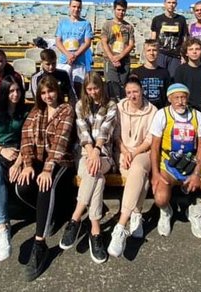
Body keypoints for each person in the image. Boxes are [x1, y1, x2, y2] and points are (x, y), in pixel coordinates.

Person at [15, 74, 75, 281]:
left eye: (50, 91)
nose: (48, 96)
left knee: (45, 186)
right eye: (43, 93)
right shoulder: (36, 111)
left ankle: (40, 244)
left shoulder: (66, 110)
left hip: (61, 161)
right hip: (40, 160)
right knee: (22, 187)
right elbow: (25, 137)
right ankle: (53, 213)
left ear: (57, 91)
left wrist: (48, 169)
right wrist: (27, 164)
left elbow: (61, 142)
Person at [150, 83, 201, 239]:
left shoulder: (197, 116)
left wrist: (197, 174)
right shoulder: (162, 114)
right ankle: (166, 212)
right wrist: (155, 174)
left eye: (183, 97)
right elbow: (154, 147)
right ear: (169, 99)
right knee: (160, 199)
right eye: (176, 98)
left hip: (191, 162)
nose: (180, 101)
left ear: (187, 98)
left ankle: (196, 211)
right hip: (168, 163)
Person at [59, 72, 118, 264]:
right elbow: (82, 131)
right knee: (96, 178)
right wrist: (91, 152)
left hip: (104, 153)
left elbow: (105, 131)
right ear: (85, 89)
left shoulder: (111, 105)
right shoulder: (79, 105)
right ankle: (95, 231)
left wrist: (97, 151)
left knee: (94, 170)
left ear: (102, 86)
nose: (93, 92)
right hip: (85, 152)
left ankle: (75, 218)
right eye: (89, 89)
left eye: (96, 88)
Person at [107, 75, 158, 257]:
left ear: (142, 91)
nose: (132, 96)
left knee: (138, 168)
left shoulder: (152, 110)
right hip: (123, 152)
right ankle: (137, 213)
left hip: (143, 153)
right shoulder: (119, 107)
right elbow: (115, 135)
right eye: (128, 92)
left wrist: (134, 152)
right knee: (140, 177)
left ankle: (120, 226)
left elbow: (150, 140)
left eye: (135, 91)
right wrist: (125, 151)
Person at [0, 75, 30, 262]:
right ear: (4, 92)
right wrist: (2, 150)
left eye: (18, 90)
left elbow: (28, 140)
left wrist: (18, 161)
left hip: (18, 154)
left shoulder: (25, 112)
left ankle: (2, 227)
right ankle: (2, 227)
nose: (15, 94)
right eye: (11, 91)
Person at [54, 0, 93, 99]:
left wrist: (75, 55)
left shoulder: (86, 24)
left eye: (79, 7)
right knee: (61, 89)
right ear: (69, 7)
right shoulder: (62, 23)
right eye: (74, 6)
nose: (76, 9)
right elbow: (58, 41)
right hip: (64, 61)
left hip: (79, 62)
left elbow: (87, 42)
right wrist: (68, 55)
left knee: (78, 90)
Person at [100, 0, 135, 101]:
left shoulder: (129, 27)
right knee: (112, 88)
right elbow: (104, 42)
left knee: (124, 89)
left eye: (123, 10)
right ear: (114, 9)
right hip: (110, 61)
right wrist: (113, 58)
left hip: (124, 61)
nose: (121, 12)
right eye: (119, 9)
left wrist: (120, 56)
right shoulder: (107, 25)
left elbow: (131, 44)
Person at [150, 0, 189, 78]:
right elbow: (153, 39)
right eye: (169, 2)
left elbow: (184, 39)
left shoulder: (181, 19)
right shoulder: (157, 19)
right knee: (160, 77)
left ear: (176, 4)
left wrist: (183, 55)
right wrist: (152, 54)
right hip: (160, 54)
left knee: (173, 79)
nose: (171, 5)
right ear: (164, 4)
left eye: (173, 3)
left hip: (175, 55)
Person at [173, 37, 201, 110]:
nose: (194, 52)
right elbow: (178, 91)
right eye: (191, 49)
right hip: (187, 107)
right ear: (186, 53)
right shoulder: (180, 70)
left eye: (197, 49)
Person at [130, 39, 171, 109]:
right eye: (148, 50)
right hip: (142, 110)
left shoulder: (165, 72)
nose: (151, 53)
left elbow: (169, 94)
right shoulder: (136, 72)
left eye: (154, 50)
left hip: (160, 110)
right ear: (144, 53)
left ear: (158, 52)